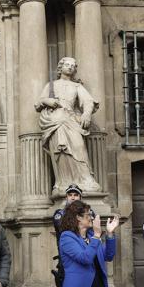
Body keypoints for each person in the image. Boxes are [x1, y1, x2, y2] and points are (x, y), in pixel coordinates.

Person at [35, 57, 101, 197]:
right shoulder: (51, 85)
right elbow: (38, 104)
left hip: (71, 120)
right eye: (67, 65)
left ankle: (85, 180)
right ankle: (63, 183)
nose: (70, 67)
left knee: (79, 149)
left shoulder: (77, 86)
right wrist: (48, 100)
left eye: (73, 65)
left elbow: (88, 101)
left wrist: (87, 114)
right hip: (55, 122)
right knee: (61, 153)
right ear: (60, 67)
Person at [52, 184, 85, 287]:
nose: (73, 197)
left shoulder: (88, 215)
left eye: (76, 195)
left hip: (85, 262)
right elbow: (67, 227)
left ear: (80, 198)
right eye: (70, 195)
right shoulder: (60, 214)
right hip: (67, 264)